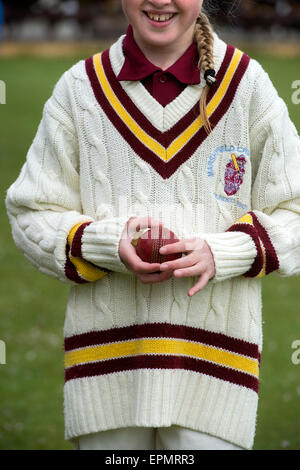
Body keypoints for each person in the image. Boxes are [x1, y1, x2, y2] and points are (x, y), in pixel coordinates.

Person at [5, 0, 300, 451]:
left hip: (215, 374)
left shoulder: (247, 87)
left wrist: (222, 252)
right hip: (107, 372)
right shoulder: (79, 89)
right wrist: (103, 243)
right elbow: (31, 210)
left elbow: (294, 209)